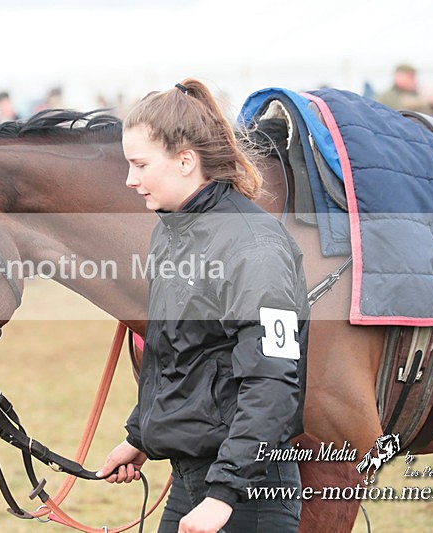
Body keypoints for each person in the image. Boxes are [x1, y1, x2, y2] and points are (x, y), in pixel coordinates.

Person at [96, 79, 309, 532]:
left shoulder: (254, 246)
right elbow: (176, 355)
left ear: (186, 161)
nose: (130, 180)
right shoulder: (169, 234)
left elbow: (273, 381)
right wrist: (140, 436)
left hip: (246, 495)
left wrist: (224, 495)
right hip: (193, 482)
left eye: (140, 164)